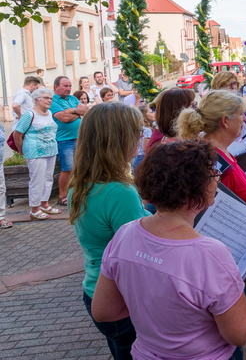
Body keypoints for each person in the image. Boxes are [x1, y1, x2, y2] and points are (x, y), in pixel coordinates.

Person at [91, 140, 246, 359]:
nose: (217, 180)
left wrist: (152, 312)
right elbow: (241, 333)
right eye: (213, 175)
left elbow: (103, 311)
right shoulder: (211, 254)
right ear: (195, 188)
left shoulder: (125, 234)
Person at [68, 103, 149, 359]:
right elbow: (143, 250)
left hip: (94, 291)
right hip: (121, 300)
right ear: (120, 139)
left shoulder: (80, 184)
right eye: (137, 132)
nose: (141, 138)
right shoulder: (119, 192)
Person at [178, 90, 246, 213]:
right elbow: (214, 214)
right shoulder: (212, 159)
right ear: (225, 121)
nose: (245, 118)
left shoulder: (215, 150)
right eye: (241, 114)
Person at [13, 88, 60, 220]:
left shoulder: (49, 113)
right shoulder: (29, 114)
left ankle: (44, 203)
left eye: (50, 98)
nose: (49, 100)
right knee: (37, 180)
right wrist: (21, 150)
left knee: (48, 178)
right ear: (36, 100)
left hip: (51, 150)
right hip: (35, 151)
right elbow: (18, 134)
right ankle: (34, 209)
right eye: (46, 98)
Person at [51, 76, 89, 206]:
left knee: (80, 168)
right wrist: (78, 113)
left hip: (79, 139)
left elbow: (86, 111)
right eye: (65, 86)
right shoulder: (53, 101)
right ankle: (62, 195)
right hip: (64, 140)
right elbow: (64, 118)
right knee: (67, 169)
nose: (68, 88)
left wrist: (72, 110)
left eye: (69, 86)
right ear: (56, 87)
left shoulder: (72, 98)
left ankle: (77, 193)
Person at [132, 105, 154, 172]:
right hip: (141, 157)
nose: (154, 114)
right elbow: (145, 148)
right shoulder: (147, 130)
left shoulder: (139, 127)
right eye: (151, 112)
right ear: (144, 115)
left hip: (137, 157)